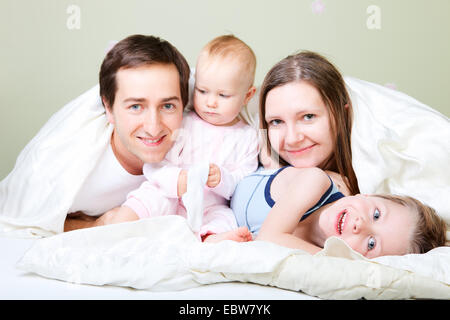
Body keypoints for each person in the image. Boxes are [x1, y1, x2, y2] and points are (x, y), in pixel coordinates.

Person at [230, 51, 447, 257]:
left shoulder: (345, 204)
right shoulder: (280, 162)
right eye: (276, 122)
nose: (292, 138)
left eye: (308, 116)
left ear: (341, 113)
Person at [93, 35, 259, 243]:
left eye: (223, 95)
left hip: (210, 204)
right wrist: (177, 180)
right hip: (170, 192)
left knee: (224, 217)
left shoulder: (248, 137)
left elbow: (245, 178)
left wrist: (224, 179)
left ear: (247, 96)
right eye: (202, 91)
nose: (210, 102)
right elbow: (155, 166)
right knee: (150, 197)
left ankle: (210, 240)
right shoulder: (185, 123)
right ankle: (120, 225)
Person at [62, 35, 191, 231]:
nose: (153, 127)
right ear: (109, 109)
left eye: (167, 106)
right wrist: (99, 224)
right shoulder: (76, 169)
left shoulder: (204, 115)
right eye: (136, 106)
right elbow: (35, 220)